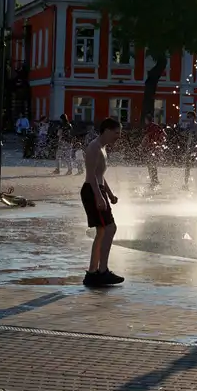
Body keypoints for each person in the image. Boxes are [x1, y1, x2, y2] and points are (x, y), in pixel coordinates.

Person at [82, 117, 124, 287]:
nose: (118, 136)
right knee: (110, 229)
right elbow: (91, 175)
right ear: (106, 130)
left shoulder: (102, 147)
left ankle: (93, 274)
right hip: (92, 192)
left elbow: (100, 175)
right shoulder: (93, 147)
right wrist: (99, 196)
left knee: (102, 232)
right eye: (116, 133)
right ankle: (102, 271)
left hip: (97, 191)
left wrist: (110, 194)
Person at [141, 113, 166, 188]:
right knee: (154, 164)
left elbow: (146, 137)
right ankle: (155, 180)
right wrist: (160, 143)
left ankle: (153, 180)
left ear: (146, 120)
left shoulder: (149, 127)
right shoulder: (156, 126)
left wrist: (141, 145)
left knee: (149, 164)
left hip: (150, 148)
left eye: (145, 120)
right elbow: (164, 135)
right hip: (157, 148)